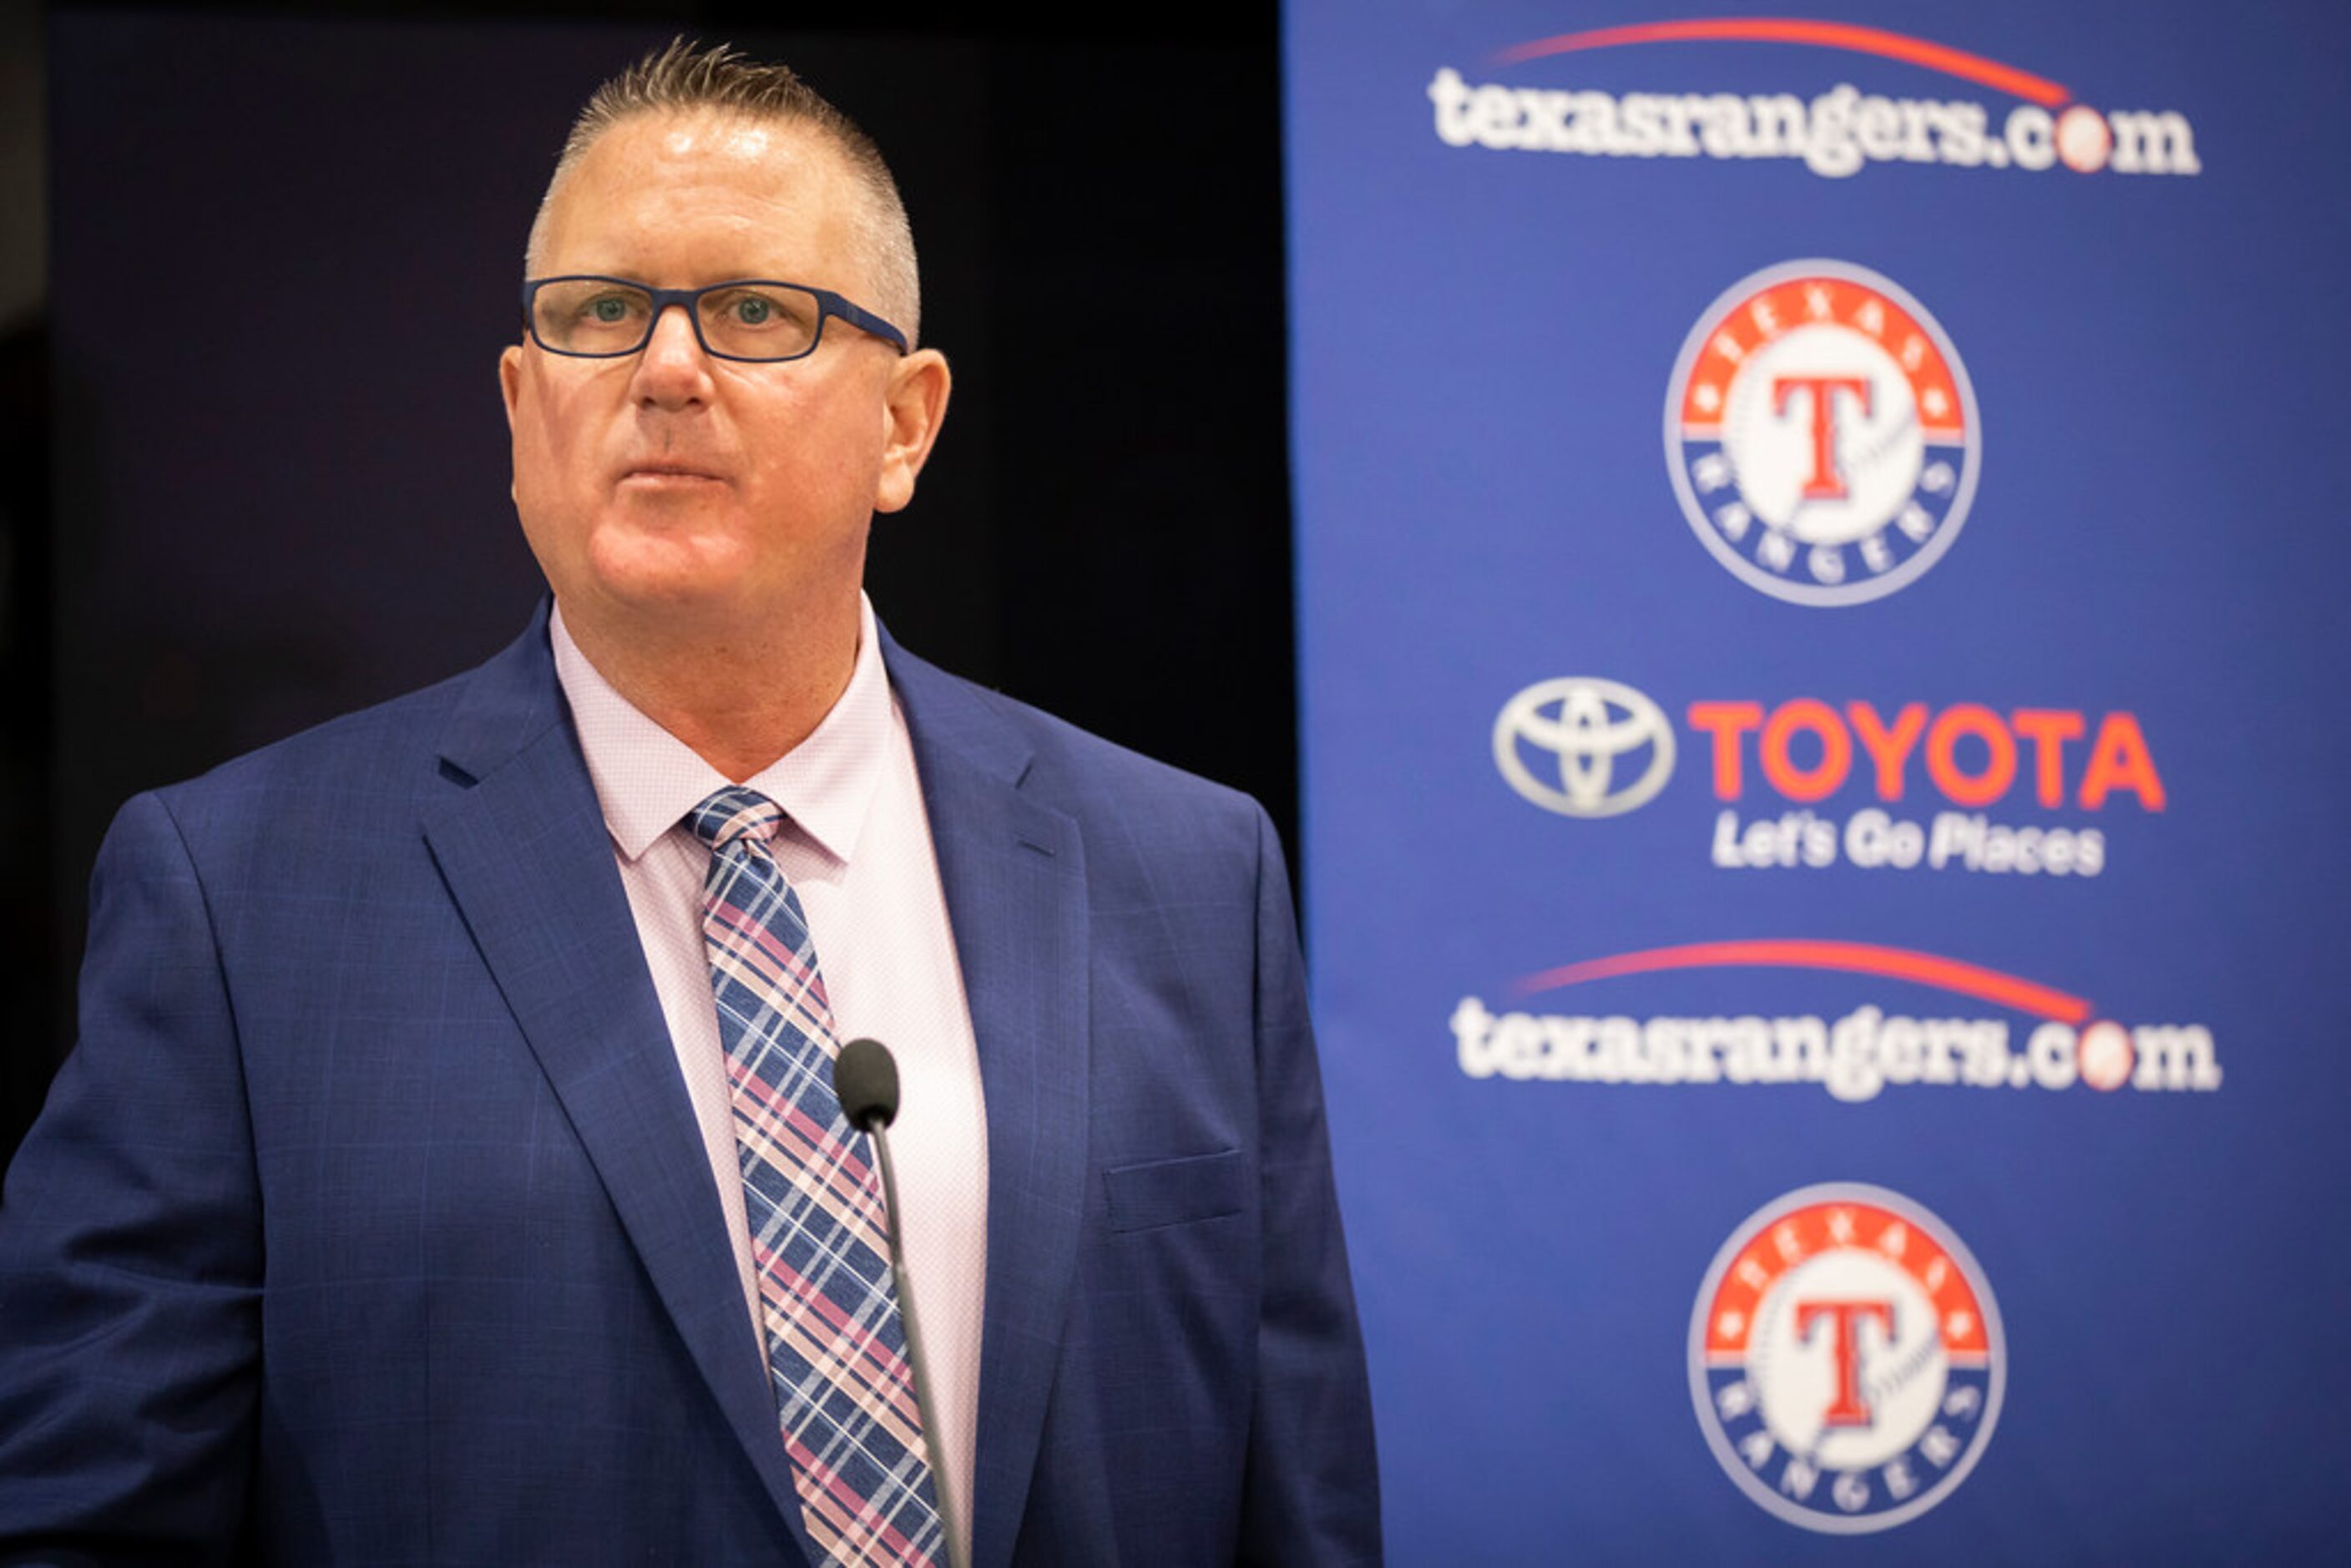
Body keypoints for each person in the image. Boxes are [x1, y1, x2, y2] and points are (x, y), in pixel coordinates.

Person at [0, 39, 1379, 1568]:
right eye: (600, 315)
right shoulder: (238, 897)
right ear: (524, 413)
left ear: (905, 425)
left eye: (754, 313)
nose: (664, 370)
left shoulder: (1188, 874)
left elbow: (1294, 1501)